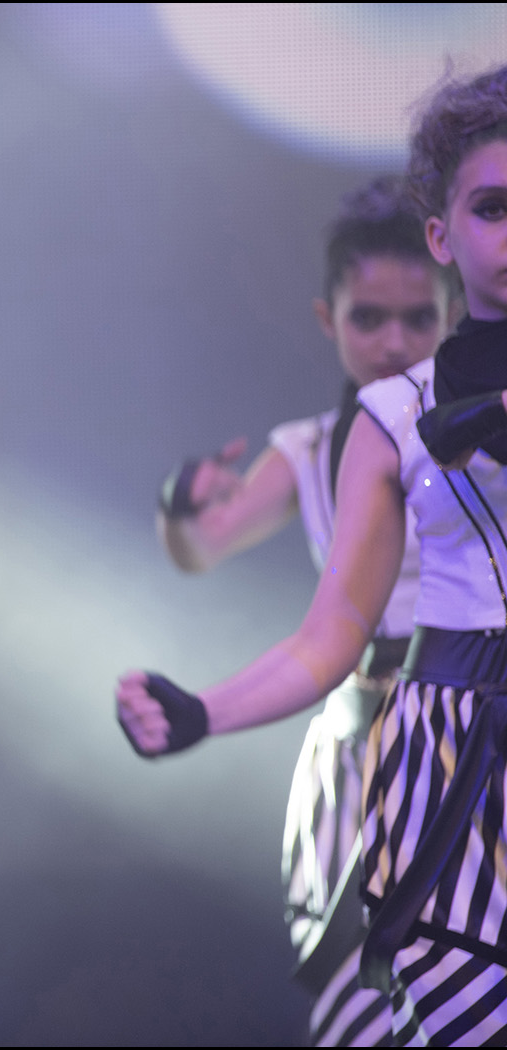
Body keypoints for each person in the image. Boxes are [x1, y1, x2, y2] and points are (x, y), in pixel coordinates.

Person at [118, 65, 507, 1045]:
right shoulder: (389, 420)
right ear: (443, 236)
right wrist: (201, 711)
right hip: (437, 757)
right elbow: (329, 631)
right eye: (493, 209)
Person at [150, 177, 453, 1046]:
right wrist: (182, 503)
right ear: (330, 319)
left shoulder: (483, 438)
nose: (393, 343)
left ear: (453, 313)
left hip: (477, 732)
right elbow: (201, 546)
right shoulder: (311, 449)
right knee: (358, 1005)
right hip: (360, 751)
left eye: (418, 319)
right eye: (369, 319)